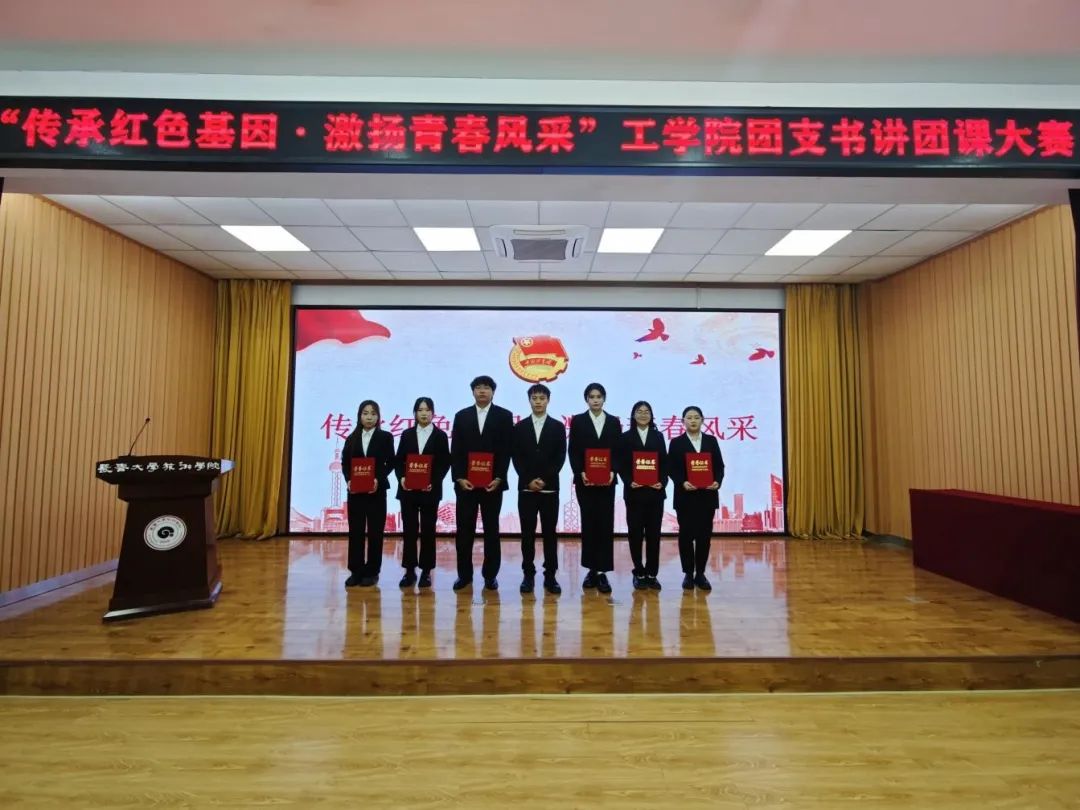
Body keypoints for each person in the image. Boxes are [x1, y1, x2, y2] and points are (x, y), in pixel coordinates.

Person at [450, 375, 514, 591]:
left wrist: (499, 477)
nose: (482, 391)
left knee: (491, 530)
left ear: (493, 392)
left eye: (486, 387)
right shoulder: (462, 416)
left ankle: (490, 575)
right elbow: (456, 450)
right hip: (466, 485)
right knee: (464, 531)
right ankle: (464, 575)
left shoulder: (504, 416)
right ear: (473, 392)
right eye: (478, 387)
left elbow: (506, 450)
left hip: (492, 485)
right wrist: (459, 477)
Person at [511, 383, 567, 595]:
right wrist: (528, 480)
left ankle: (550, 575)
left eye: (542, 398)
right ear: (529, 401)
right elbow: (516, 457)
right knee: (527, 533)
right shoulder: (520, 427)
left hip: (549, 489)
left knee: (549, 533)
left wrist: (544, 479)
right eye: (534, 398)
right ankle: (528, 574)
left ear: (548, 400)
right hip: (526, 489)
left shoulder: (558, 427)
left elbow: (560, 457)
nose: (538, 402)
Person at [568, 382, 621, 595]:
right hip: (586, 482)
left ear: (604, 398)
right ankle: (591, 570)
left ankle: (602, 572)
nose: (596, 400)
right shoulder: (578, 421)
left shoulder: (613, 421)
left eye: (599, 396)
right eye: (592, 397)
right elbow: (573, 450)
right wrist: (580, 471)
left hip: (607, 482)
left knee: (605, 525)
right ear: (586, 400)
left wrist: (613, 471)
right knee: (589, 524)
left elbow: (618, 450)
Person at [394, 396, 451, 589]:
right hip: (408, 490)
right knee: (409, 531)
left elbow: (444, 463)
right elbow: (399, 460)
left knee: (428, 530)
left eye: (427, 410)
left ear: (433, 413)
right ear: (415, 413)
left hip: (430, 491)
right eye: (420, 410)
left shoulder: (440, 435)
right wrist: (402, 478)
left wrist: (433, 481)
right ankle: (409, 571)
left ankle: (426, 571)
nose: (424, 413)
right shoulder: (407, 434)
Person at [667, 405, 725, 591]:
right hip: (685, 497)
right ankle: (688, 573)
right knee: (685, 536)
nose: (693, 420)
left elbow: (719, 466)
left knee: (704, 537)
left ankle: (700, 573)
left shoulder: (711, 440)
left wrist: (717, 481)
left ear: (702, 420)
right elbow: (671, 468)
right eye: (689, 417)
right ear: (683, 421)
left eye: (696, 417)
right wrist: (682, 482)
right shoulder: (676, 442)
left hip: (707, 496)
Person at [340, 399, 395, 587]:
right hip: (355, 492)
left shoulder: (385, 437)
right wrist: (349, 479)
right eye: (365, 413)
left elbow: (391, 462)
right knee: (355, 531)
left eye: (373, 413)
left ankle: (372, 571)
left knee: (375, 532)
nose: (369, 417)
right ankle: (355, 571)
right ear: (359, 416)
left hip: (376, 492)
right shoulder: (351, 438)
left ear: (378, 417)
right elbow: (345, 463)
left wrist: (378, 478)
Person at [618, 400, 668, 591]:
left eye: (647, 411)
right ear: (633, 415)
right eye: (639, 411)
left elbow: (664, 463)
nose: (643, 414)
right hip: (634, 493)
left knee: (654, 535)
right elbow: (621, 464)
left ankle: (652, 574)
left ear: (651, 415)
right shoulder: (625, 437)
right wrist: (629, 480)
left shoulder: (658, 436)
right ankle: (638, 572)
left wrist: (662, 481)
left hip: (655, 493)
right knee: (635, 534)